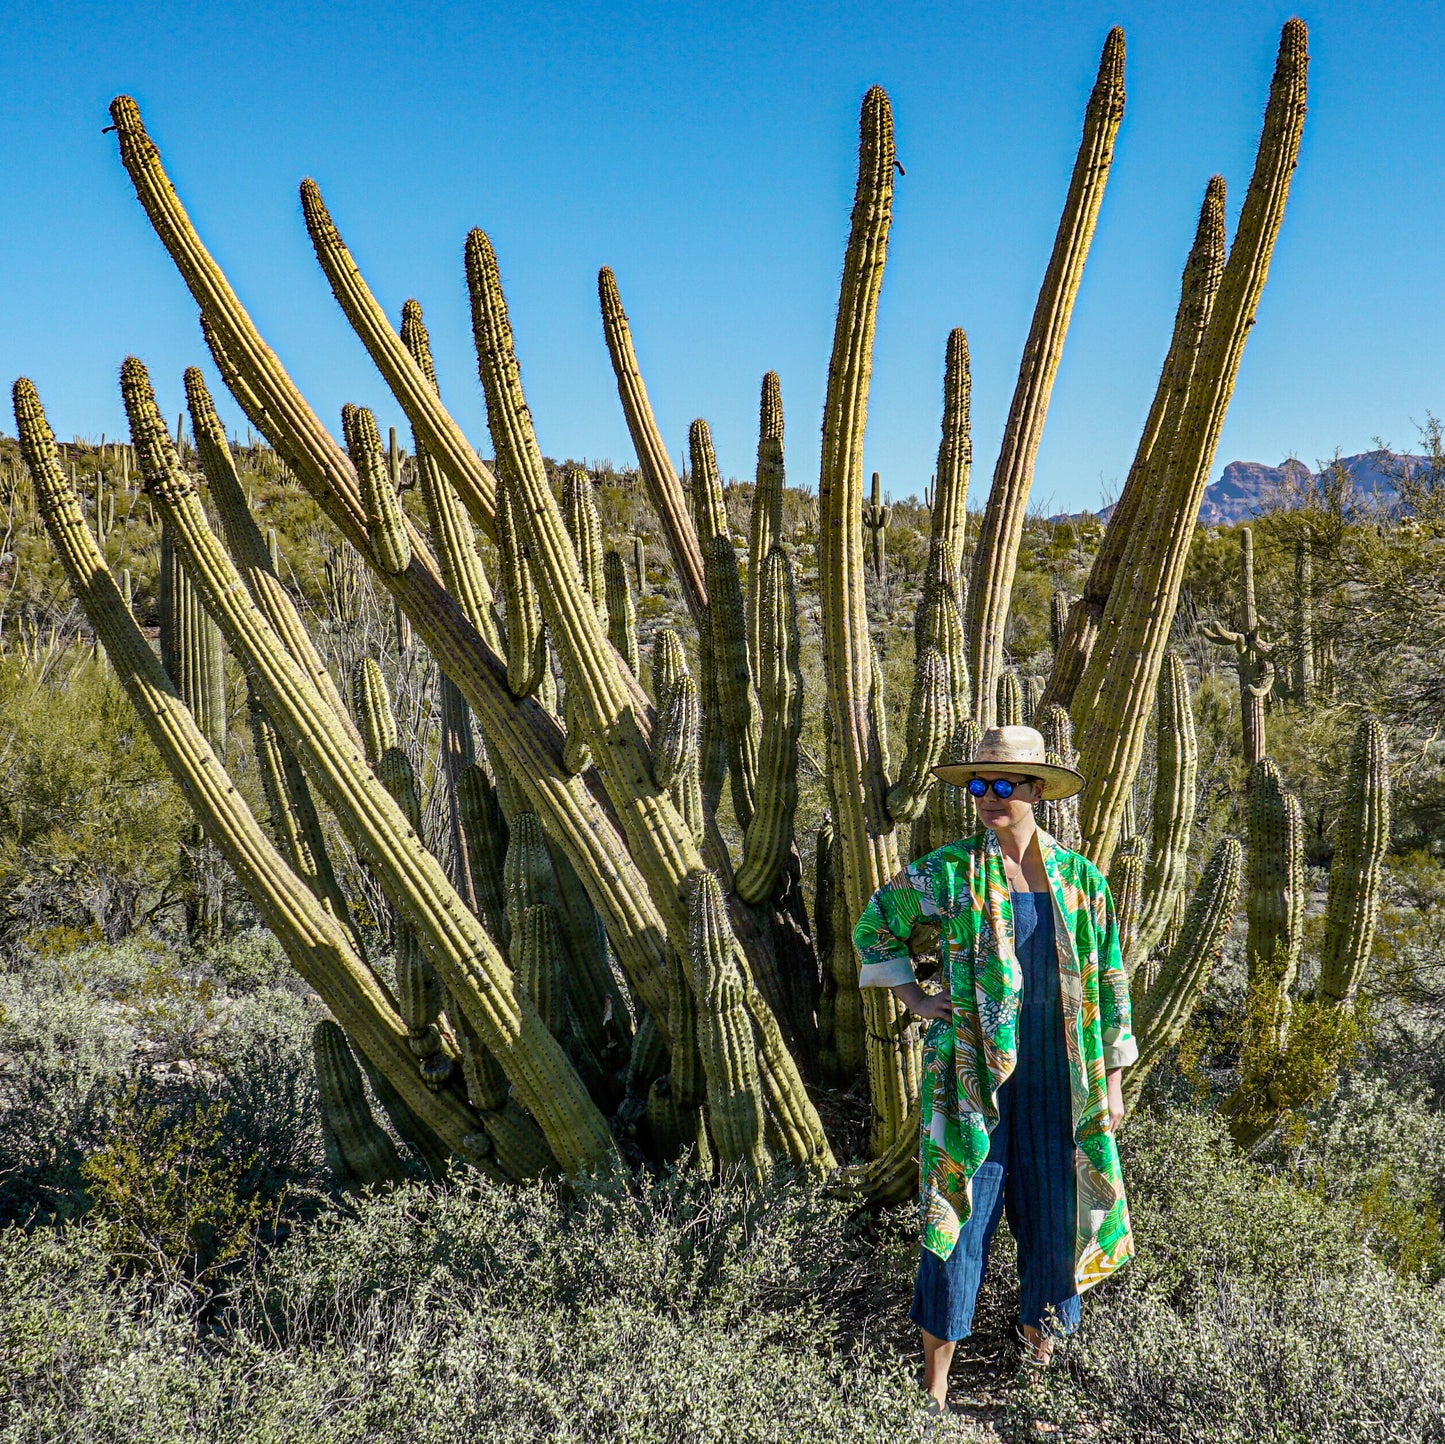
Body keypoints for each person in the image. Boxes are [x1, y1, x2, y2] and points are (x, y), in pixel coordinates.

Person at [852, 724, 1137, 1414]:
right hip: (971, 1085)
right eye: (977, 785)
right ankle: (934, 1393)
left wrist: (1113, 1081)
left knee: (1056, 1225)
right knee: (956, 1225)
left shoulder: (1079, 878)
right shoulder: (948, 871)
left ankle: (1036, 1373)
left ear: (1036, 791)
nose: (986, 797)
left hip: (1062, 1084)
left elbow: (1109, 978)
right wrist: (917, 998)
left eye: (1002, 785)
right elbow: (875, 924)